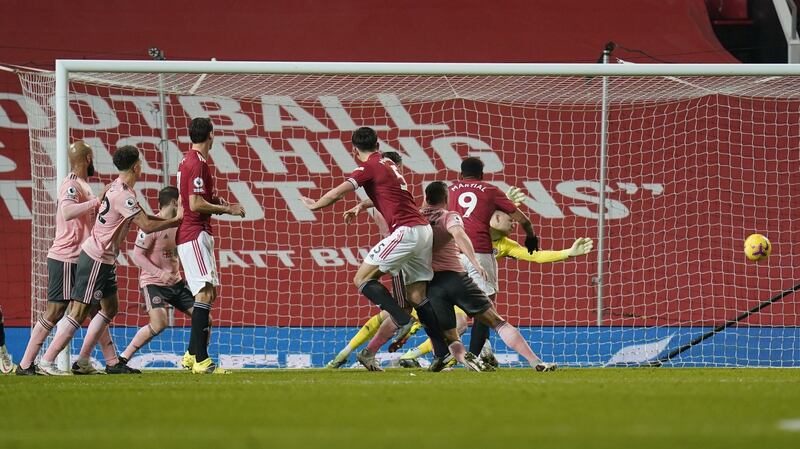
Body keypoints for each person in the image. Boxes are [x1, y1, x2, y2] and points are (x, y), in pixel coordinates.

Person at [301, 127, 445, 372]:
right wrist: (361, 206)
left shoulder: (367, 167)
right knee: (417, 296)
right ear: (378, 145)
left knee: (362, 279)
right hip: (423, 232)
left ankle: (402, 319)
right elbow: (385, 192)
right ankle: (441, 352)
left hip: (406, 231)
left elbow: (337, 193)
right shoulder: (389, 163)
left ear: (354, 150)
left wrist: (314, 205)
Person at [38, 145, 182, 375]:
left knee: (110, 307)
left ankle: (90, 361)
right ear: (136, 167)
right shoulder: (124, 195)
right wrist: (176, 221)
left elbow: (145, 217)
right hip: (96, 257)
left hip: (105, 258)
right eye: (140, 163)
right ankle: (47, 360)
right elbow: (146, 225)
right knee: (79, 311)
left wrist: (173, 221)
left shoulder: (120, 188)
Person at [16, 141, 119, 375]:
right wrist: (97, 201)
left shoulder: (84, 185)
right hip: (66, 256)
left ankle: (108, 361)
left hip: (83, 256)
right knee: (56, 310)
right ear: (88, 158)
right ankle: (26, 364)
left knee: (95, 308)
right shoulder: (71, 184)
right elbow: (67, 211)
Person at [449, 157, 540, 362]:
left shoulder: (451, 189)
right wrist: (531, 236)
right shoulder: (490, 190)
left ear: (460, 175)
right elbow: (522, 219)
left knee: (449, 307)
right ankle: (474, 358)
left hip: (454, 253)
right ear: (482, 175)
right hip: (479, 252)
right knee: (485, 307)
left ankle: (442, 353)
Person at [176, 117, 245, 374]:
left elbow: (192, 198)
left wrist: (215, 200)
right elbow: (194, 204)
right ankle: (202, 361)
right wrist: (227, 209)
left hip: (196, 233)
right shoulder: (197, 163)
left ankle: (191, 355)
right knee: (204, 293)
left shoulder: (189, 160)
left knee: (209, 293)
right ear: (211, 135)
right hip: (194, 233)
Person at [120, 186, 199, 365]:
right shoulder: (152, 225)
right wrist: (160, 274)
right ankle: (123, 357)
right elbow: (137, 255)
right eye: (182, 202)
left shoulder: (181, 224)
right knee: (159, 323)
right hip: (153, 282)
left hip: (175, 282)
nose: (185, 205)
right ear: (174, 202)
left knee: (204, 318)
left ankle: (195, 358)